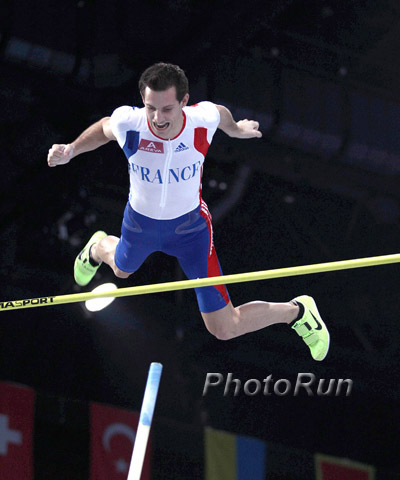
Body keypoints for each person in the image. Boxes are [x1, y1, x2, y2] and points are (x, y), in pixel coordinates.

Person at [47, 62, 329, 360]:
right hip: (140, 225)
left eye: (167, 109)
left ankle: (298, 312)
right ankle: (96, 248)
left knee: (225, 328)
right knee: (121, 269)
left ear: (184, 101)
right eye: (150, 108)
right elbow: (103, 128)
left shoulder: (201, 119)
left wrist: (236, 130)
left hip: (190, 231)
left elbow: (221, 114)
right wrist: (71, 149)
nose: (157, 118)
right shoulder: (129, 122)